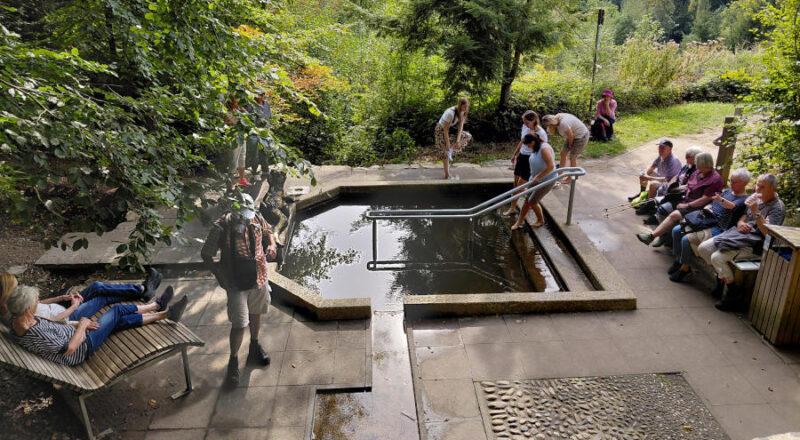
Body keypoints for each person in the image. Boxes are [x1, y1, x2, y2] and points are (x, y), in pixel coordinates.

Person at [201, 192, 277, 386]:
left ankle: (254, 347)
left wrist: (272, 245)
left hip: (259, 275)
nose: (246, 218)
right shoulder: (221, 226)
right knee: (239, 323)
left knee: (256, 312)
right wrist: (220, 276)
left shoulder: (257, 217)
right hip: (235, 281)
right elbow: (206, 254)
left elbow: (268, 231)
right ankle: (233, 361)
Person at [7, 285, 187, 366]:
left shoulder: (19, 320)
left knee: (116, 321)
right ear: (28, 309)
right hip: (82, 347)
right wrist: (82, 325)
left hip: (77, 332)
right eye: (36, 302)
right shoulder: (35, 333)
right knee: (116, 311)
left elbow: (56, 325)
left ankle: (165, 313)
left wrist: (78, 324)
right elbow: (69, 349)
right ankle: (157, 306)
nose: (39, 303)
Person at [697, 173, 785, 310]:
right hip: (739, 235)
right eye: (757, 185)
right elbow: (744, 215)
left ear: (774, 189)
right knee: (703, 248)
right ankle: (722, 279)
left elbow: (768, 234)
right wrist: (740, 223)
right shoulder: (755, 197)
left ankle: (733, 292)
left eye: (762, 187)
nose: (757, 189)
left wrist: (756, 212)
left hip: (756, 244)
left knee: (716, 258)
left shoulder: (777, 208)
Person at [667, 168, 751, 282]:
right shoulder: (727, 192)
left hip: (719, 227)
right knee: (676, 230)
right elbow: (713, 202)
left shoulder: (744, 199)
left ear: (745, 183)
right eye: (730, 180)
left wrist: (720, 200)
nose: (731, 183)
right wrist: (709, 206)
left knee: (686, 240)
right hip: (706, 220)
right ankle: (678, 261)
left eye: (734, 181)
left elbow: (732, 206)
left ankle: (685, 268)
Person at [1, 268, 163, 326]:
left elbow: (38, 303)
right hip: (70, 316)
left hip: (63, 307)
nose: (19, 289)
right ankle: (143, 290)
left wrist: (62, 298)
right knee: (101, 298)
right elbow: (54, 321)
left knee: (96, 286)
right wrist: (74, 306)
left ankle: (141, 290)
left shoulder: (15, 302)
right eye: (16, 287)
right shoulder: (16, 315)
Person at [636, 152, 723, 247]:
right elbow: (688, 185)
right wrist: (674, 189)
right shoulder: (698, 172)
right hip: (685, 199)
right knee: (662, 209)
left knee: (674, 215)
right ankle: (664, 236)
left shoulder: (715, 179)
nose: (695, 163)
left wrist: (686, 205)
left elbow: (705, 199)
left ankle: (651, 236)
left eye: (697, 161)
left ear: (703, 163)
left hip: (697, 206)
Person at [504, 110, 548, 216]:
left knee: (520, 185)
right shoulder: (525, 127)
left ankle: (518, 206)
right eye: (524, 122)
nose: (525, 124)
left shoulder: (541, 133)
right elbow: (522, 141)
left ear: (534, 120)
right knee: (516, 184)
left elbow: (544, 148)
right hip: (522, 156)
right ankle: (517, 203)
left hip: (530, 159)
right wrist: (515, 154)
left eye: (527, 122)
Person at [511, 133, 556, 230]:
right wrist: (534, 177)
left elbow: (551, 166)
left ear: (533, 142)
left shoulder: (544, 149)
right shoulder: (536, 147)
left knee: (531, 201)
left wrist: (539, 177)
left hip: (547, 180)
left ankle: (523, 221)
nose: (527, 146)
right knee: (528, 200)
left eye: (528, 144)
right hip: (535, 179)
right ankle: (528, 220)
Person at [629, 140, 682, 206]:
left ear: (670, 149)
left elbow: (667, 179)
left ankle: (648, 204)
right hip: (661, 178)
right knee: (643, 172)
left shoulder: (673, 161)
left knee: (653, 184)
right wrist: (645, 174)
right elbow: (651, 167)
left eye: (663, 148)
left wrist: (648, 178)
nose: (660, 149)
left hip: (669, 184)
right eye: (659, 147)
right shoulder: (661, 156)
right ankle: (641, 193)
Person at [541, 113, 589, 184]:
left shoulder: (563, 124)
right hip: (572, 136)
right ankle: (559, 175)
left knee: (572, 157)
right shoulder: (557, 119)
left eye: (548, 125)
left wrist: (570, 146)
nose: (548, 127)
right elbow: (570, 135)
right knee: (563, 154)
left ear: (551, 124)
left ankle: (570, 178)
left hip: (581, 136)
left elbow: (571, 136)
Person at [436, 97, 472, 180]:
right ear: (460, 105)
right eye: (464, 107)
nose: (466, 109)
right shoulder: (450, 113)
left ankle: (451, 150)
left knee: (468, 136)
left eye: (467, 107)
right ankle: (447, 175)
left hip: (450, 129)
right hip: (441, 129)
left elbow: (460, 126)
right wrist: (447, 142)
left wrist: (458, 141)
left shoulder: (462, 112)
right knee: (445, 152)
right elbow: (445, 129)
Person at [246, 88, 273, 177]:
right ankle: (254, 170)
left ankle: (265, 170)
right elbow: (247, 117)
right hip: (254, 131)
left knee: (264, 151)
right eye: (257, 95)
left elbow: (269, 116)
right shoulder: (250, 104)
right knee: (254, 153)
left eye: (261, 95)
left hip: (265, 131)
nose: (259, 97)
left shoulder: (266, 104)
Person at [225, 96, 250, 187]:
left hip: (242, 137)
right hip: (233, 138)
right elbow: (237, 123)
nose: (238, 104)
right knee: (233, 159)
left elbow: (249, 121)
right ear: (231, 103)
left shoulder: (238, 111)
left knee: (242, 157)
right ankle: (230, 182)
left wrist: (244, 113)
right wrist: (243, 115)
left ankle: (241, 179)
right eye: (236, 102)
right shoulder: (227, 113)